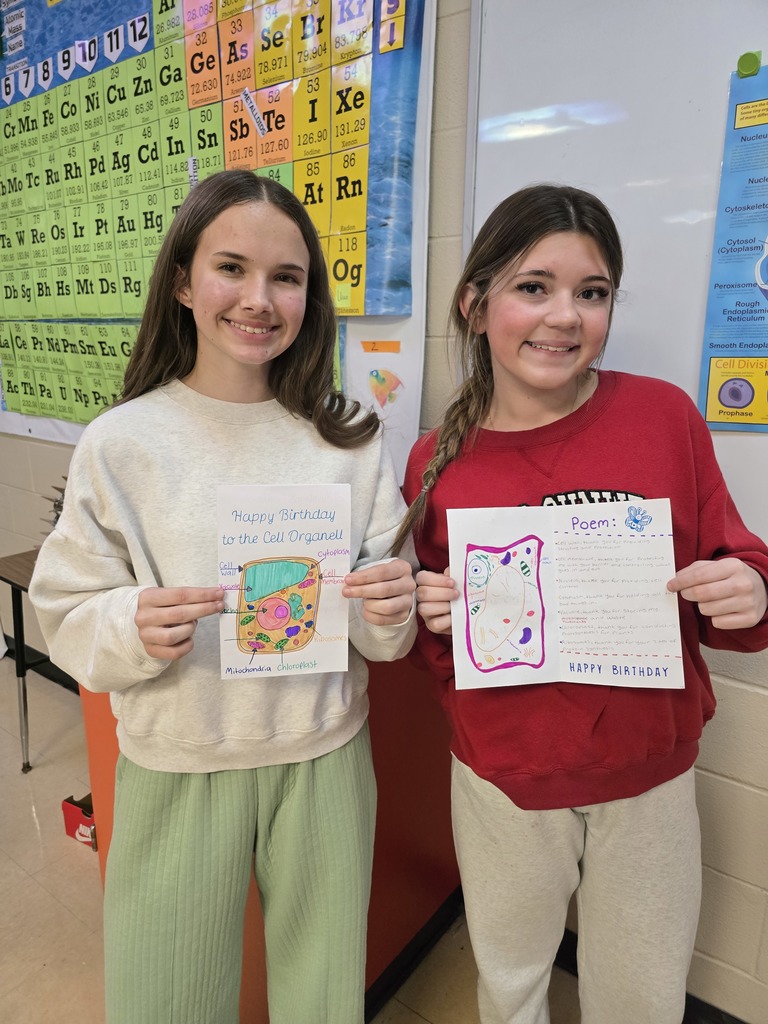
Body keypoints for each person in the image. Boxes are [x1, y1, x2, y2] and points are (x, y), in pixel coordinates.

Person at [30, 169, 417, 1024]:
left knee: (323, 998)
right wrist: (130, 620)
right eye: (231, 268)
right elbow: (61, 610)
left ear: (310, 296)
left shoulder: (346, 436)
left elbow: (385, 628)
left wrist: (390, 608)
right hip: (180, 758)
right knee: (164, 998)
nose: (260, 298)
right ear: (182, 281)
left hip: (322, 758)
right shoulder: (124, 442)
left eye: (287, 277)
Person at [392, 184, 768, 1024]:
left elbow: (735, 560)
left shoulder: (664, 416)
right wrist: (432, 615)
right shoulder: (432, 461)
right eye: (534, 287)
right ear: (475, 301)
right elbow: (426, 641)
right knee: (513, 978)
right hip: (503, 775)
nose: (565, 316)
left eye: (591, 293)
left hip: (649, 777)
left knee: (640, 994)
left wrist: (750, 585)